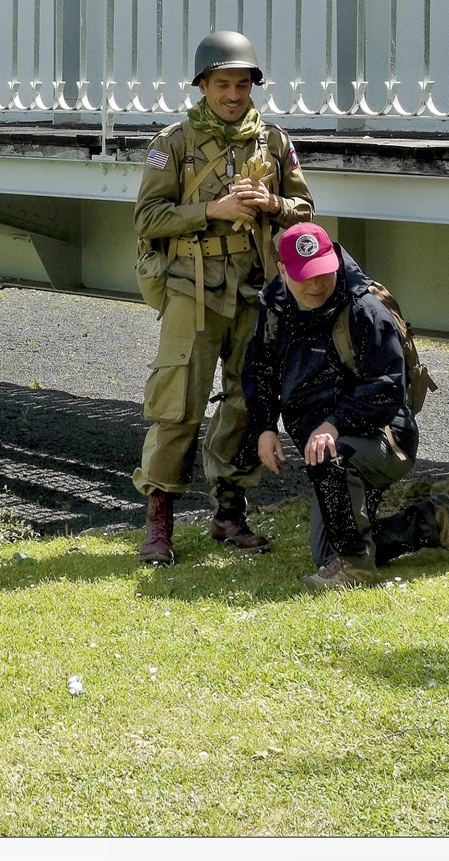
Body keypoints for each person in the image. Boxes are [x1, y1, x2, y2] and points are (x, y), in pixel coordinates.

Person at [129, 29, 314, 566]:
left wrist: (273, 201)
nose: (234, 95)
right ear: (203, 85)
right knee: (178, 403)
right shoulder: (174, 143)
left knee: (247, 400)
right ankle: (159, 521)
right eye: (222, 84)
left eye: (242, 84)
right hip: (192, 289)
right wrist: (213, 211)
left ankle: (229, 513)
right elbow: (147, 218)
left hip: (254, 289)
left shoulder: (274, 142)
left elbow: (304, 210)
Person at [245, 221, 449, 588]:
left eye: (323, 273)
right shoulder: (273, 309)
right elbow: (258, 370)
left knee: (332, 461)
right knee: (327, 553)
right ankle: (431, 520)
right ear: (284, 271)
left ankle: (357, 569)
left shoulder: (365, 310)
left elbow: (385, 388)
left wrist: (334, 423)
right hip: (326, 444)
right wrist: (265, 427)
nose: (317, 284)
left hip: (383, 436)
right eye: (305, 276)